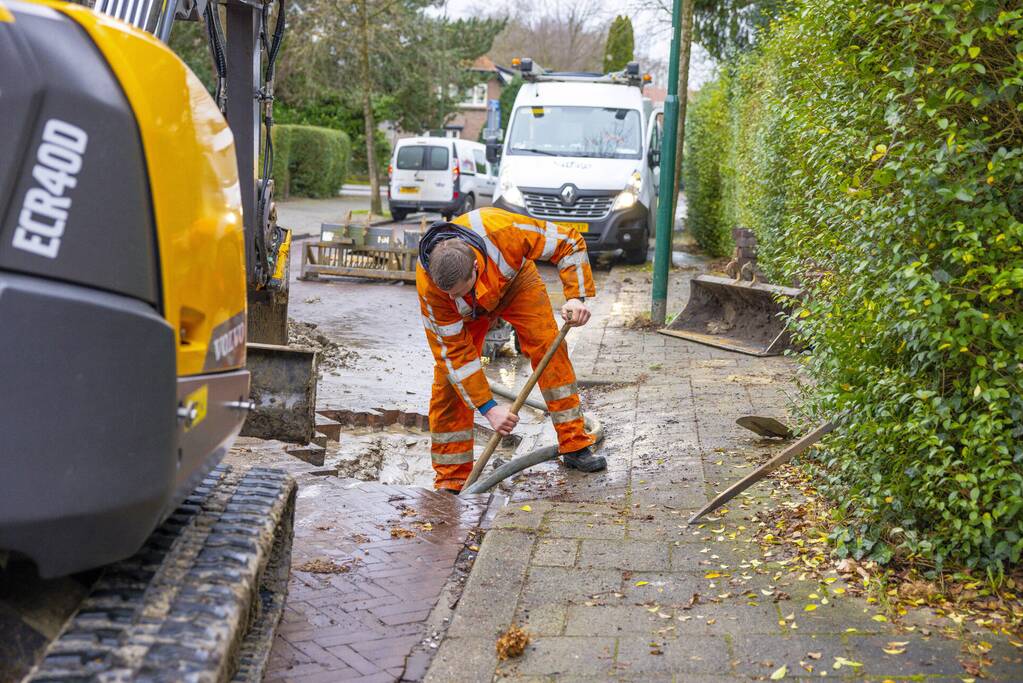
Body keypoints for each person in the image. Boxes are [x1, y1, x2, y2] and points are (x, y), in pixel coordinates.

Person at [416, 207, 606, 493]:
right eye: (449, 294)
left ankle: (574, 444)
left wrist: (576, 297)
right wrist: (489, 408)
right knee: (448, 384)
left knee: (549, 348)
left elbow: (569, 241)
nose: (454, 297)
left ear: (476, 267)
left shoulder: (502, 231)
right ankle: (452, 480)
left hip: (515, 285)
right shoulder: (432, 289)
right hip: (467, 315)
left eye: (459, 291)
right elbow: (454, 357)